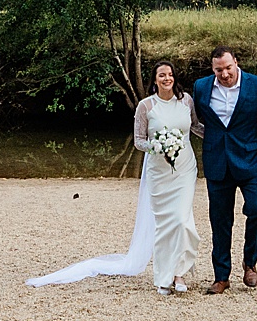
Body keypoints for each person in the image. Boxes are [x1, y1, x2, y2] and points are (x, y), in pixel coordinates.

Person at [28, 60, 202, 294]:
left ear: (175, 78)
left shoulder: (186, 101)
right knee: (164, 225)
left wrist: (224, 136)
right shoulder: (145, 106)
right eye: (162, 75)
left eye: (170, 75)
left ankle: (179, 274)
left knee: (182, 221)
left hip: (184, 169)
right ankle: (163, 276)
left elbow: (196, 126)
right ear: (155, 80)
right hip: (159, 173)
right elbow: (139, 141)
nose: (167, 79)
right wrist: (157, 146)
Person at [191, 47, 257, 293]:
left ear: (236, 63)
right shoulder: (201, 87)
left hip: (252, 160)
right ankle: (221, 276)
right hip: (217, 161)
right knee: (219, 220)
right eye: (219, 70)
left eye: (228, 68)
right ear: (213, 69)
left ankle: (249, 263)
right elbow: (194, 118)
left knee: (256, 210)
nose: (224, 74)